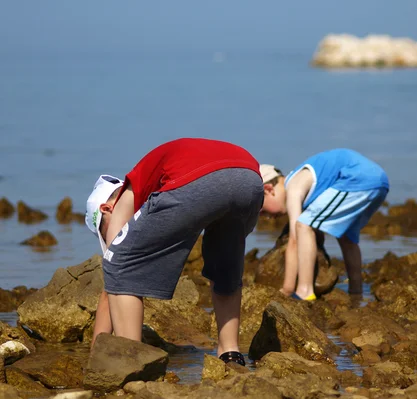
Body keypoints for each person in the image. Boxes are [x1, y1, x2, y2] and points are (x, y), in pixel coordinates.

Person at [85, 137, 264, 366]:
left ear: (106, 209)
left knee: (119, 264)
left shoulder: (125, 196)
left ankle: (132, 362)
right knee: (225, 264)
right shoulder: (150, 178)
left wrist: (95, 355)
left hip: (196, 178)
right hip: (249, 177)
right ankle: (230, 353)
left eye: (102, 229)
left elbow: (114, 272)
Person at [260, 149, 389, 300]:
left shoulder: (293, 188)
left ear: (268, 190)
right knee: (346, 236)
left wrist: (287, 289)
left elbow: (295, 240)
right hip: (378, 180)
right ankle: (356, 291)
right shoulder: (305, 187)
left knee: (302, 225)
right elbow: (315, 233)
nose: (266, 217)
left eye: (262, 210)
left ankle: (304, 291)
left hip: (356, 179)